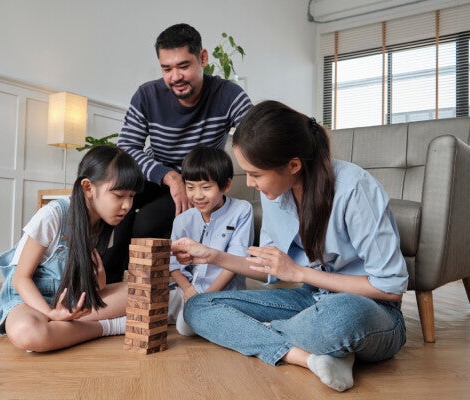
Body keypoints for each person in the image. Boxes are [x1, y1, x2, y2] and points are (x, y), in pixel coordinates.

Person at [172, 100, 408, 392]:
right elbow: (268, 270)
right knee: (198, 306)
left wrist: (301, 273)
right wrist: (213, 256)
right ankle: (309, 357)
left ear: (293, 165)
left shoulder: (354, 188)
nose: (250, 183)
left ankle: (256, 333)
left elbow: (391, 289)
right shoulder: (275, 193)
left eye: (256, 174)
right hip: (311, 302)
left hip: (371, 310)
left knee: (339, 318)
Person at [108, 23, 252, 280]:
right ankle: (106, 283)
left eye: (184, 66)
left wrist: (184, 181)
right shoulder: (146, 95)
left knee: (148, 221)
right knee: (114, 202)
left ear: (203, 58)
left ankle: (144, 293)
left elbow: (255, 136)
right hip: (156, 175)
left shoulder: (229, 95)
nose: (175, 77)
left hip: (194, 180)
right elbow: (127, 148)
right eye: (167, 68)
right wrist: (170, 177)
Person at [0, 146, 145, 352]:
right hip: (30, 300)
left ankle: (59, 331)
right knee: (26, 332)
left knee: (143, 291)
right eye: (119, 195)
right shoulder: (53, 215)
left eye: (131, 196)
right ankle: (108, 327)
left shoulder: (106, 223)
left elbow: (88, 288)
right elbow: (21, 279)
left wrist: (98, 284)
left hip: (72, 300)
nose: (127, 205)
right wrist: (50, 313)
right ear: (88, 187)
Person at [168, 146, 254, 336]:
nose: (197, 195)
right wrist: (188, 290)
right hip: (187, 291)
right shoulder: (183, 219)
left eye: (206, 187)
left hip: (223, 293)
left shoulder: (242, 210)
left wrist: (204, 296)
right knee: (145, 305)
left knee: (185, 327)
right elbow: (173, 264)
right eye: (190, 187)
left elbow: (235, 261)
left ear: (226, 185)